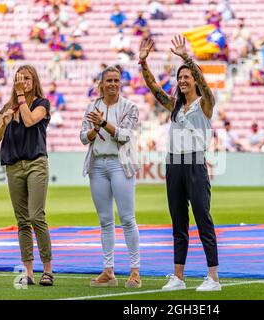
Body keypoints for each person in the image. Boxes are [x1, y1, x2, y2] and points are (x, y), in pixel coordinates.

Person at [139, 36, 221, 292]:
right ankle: (178, 277)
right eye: (180, 77)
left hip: (195, 163)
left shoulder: (205, 104)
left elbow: (206, 86)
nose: (183, 80)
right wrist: (143, 63)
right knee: (178, 222)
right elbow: (154, 88)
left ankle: (213, 278)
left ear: (194, 79)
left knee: (203, 218)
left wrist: (187, 58)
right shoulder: (175, 106)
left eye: (187, 77)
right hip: (174, 164)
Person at [0, 65, 54, 287]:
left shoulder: (41, 104)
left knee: (37, 216)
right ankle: (28, 271)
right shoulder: (8, 107)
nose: (23, 82)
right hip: (14, 166)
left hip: (36, 162)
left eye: (27, 79)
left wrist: (20, 96)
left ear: (34, 81)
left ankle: (47, 269)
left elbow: (29, 121)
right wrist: (4, 122)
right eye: (20, 79)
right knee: (22, 221)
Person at [80, 66, 142, 289]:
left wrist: (103, 123)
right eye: (109, 81)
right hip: (97, 164)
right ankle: (108, 270)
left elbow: (125, 135)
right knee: (105, 220)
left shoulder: (130, 107)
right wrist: (95, 129)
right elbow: (83, 138)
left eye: (117, 80)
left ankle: (135, 271)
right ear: (102, 83)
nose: (113, 84)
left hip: (120, 164)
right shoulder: (92, 107)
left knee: (127, 218)